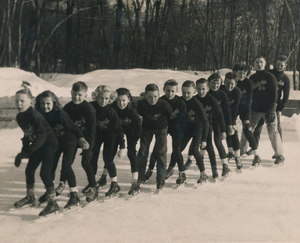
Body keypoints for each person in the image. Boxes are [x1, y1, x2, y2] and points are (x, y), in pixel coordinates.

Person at [35, 90, 89, 209]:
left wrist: (81, 138)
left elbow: (74, 128)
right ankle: (50, 192)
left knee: (66, 166)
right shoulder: (38, 114)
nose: (45, 106)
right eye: (42, 103)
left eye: (48, 103)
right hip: (55, 142)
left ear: (54, 103)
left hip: (69, 141)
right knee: (50, 165)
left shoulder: (60, 114)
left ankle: (74, 194)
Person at [14, 88, 59, 216]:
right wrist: (23, 151)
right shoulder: (20, 116)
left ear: (30, 101)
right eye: (17, 101)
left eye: (22, 101)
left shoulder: (35, 116)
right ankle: (30, 197)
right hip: (38, 145)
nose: (19, 104)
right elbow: (27, 134)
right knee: (29, 170)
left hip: (49, 145)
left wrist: (25, 153)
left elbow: (41, 137)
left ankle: (53, 203)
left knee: (44, 173)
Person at [240, 56, 285, 165]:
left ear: (265, 64)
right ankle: (240, 151)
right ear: (254, 64)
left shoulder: (270, 77)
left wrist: (272, 109)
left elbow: (275, 93)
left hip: (268, 110)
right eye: (257, 62)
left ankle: (279, 155)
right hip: (254, 109)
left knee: (273, 131)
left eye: (261, 62)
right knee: (246, 129)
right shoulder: (252, 78)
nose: (259, 64)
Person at [144, 79, 188, 186]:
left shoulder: (180, 102)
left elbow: (184, 119)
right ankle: (149, 169)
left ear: (177, 90)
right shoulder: (160, 100)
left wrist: (180, 131)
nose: (170, 93)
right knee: (157, 149)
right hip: (163, 128)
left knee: (177, 150)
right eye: (168, 91)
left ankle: (182, 173)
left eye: (173, 91)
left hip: (177, 129)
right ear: (163, 90)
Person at [63, 81, 98, 202]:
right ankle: (72, 191)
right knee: (67, 163)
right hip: (72, 138)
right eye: (74, 94)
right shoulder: (67, 108)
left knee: (85, 162)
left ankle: (93, 187)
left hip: (87, 138)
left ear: (85, 96)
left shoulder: (89, 109)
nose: (76, 97)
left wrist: (89, 149)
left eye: (80, 95)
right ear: (71, 93)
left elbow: (93, 130)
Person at [251, 55, 290, 158]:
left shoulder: (285, 79)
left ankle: (279, 150)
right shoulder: (270, 74)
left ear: (285, 66)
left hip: (275, 105)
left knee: (275, 128)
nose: (279, 67)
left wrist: (280, 108)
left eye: (281, 65)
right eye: (277, 64)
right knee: (257, 127)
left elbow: (286, 95)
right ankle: (254, 146)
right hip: (263, 104)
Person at [90, 85, 125, 198]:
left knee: (108, 159)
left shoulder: (111, 112)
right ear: (96, 96)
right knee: (92, 157)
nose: (103, 101)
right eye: (101, 97)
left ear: (110, 99)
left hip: (111, 136)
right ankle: (92, 183)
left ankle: (115, 184)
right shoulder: (91, 107)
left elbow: (119, 130)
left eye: (106, 98)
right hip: (97, 135)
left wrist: (122, 146)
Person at [137, 84, 173, 190]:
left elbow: (170, 115)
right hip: (147, 129)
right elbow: (138, 114)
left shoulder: (164, 104)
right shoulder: (141, 104)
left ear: (159, 95)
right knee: (143, 151)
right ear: (145, 96)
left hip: (161, 128)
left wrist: (167, 130)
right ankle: (139, 176)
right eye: (150, 97)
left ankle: (161, 178)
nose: (153, 99)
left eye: (155, 96)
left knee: (161, 152)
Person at [192, 78, 228, 178]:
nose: (201, 91)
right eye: (198, 89)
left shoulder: (211, 99)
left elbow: (220, 115)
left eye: (203, 89)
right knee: (208, 145)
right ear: (195, 89)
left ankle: (221, 167)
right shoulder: (194, 99)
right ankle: (212, 168)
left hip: (214, 122)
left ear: (208, 89)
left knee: (215, 143)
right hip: (203, 125)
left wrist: (223, 130)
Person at [111, 88, 142, 195]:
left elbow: (138, 129)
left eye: (124, 100)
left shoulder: (132, 112)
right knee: (110, 151)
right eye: (118, 100)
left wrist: (133, 143)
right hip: (117, 131)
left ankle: (135, 181)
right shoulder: (113, 108)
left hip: (132, 131)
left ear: (128, 99)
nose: (121, 103)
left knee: (131, 153)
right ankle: (105, 177)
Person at [180, 80, 209, 184]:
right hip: (186, 130)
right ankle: (181, 173)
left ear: (194, 92)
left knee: (195, 150)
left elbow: (205, 121)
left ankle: (203, 173)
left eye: (189, 93)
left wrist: (204, 139)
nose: (186, 95)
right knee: (178, 149)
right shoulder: (180, 100)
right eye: (184, 92)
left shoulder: (197, 103)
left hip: (197, 130)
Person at [206, 73, 234, 176]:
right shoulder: (206, 93)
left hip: (218, 121)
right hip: (208, 122)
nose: (215, 85)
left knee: (218, 142)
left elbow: (226, 111)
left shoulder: (222, 95)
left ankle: (225, 165)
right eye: (213, 83)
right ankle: (213, 167)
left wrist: (227, 126)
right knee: (208, 143)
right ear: (209, 83)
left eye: (218, 83)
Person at [233, 63, 261, 165]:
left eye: (244, 73)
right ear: (235, 72)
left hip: (244, 107)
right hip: (233, 108)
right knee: (231, 129)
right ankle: (231, 152)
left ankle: (256, 155)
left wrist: (247, 117)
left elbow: (249, 100)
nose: (242, 75)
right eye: (240, 73)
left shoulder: (248, 83)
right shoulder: (232, 81)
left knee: (247, 129)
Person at [220, 72, 242, 169]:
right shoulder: (220, 89)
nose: (229, 85)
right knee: (225, 135)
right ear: (224, 82)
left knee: (233, 133)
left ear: (235, 84)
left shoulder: (237, 92)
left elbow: (236, 108)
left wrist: (231, 123)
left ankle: (237, 156)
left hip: (232, 115)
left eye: (232, 83)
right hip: (220, 116)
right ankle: (230, 152)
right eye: (227, 83)